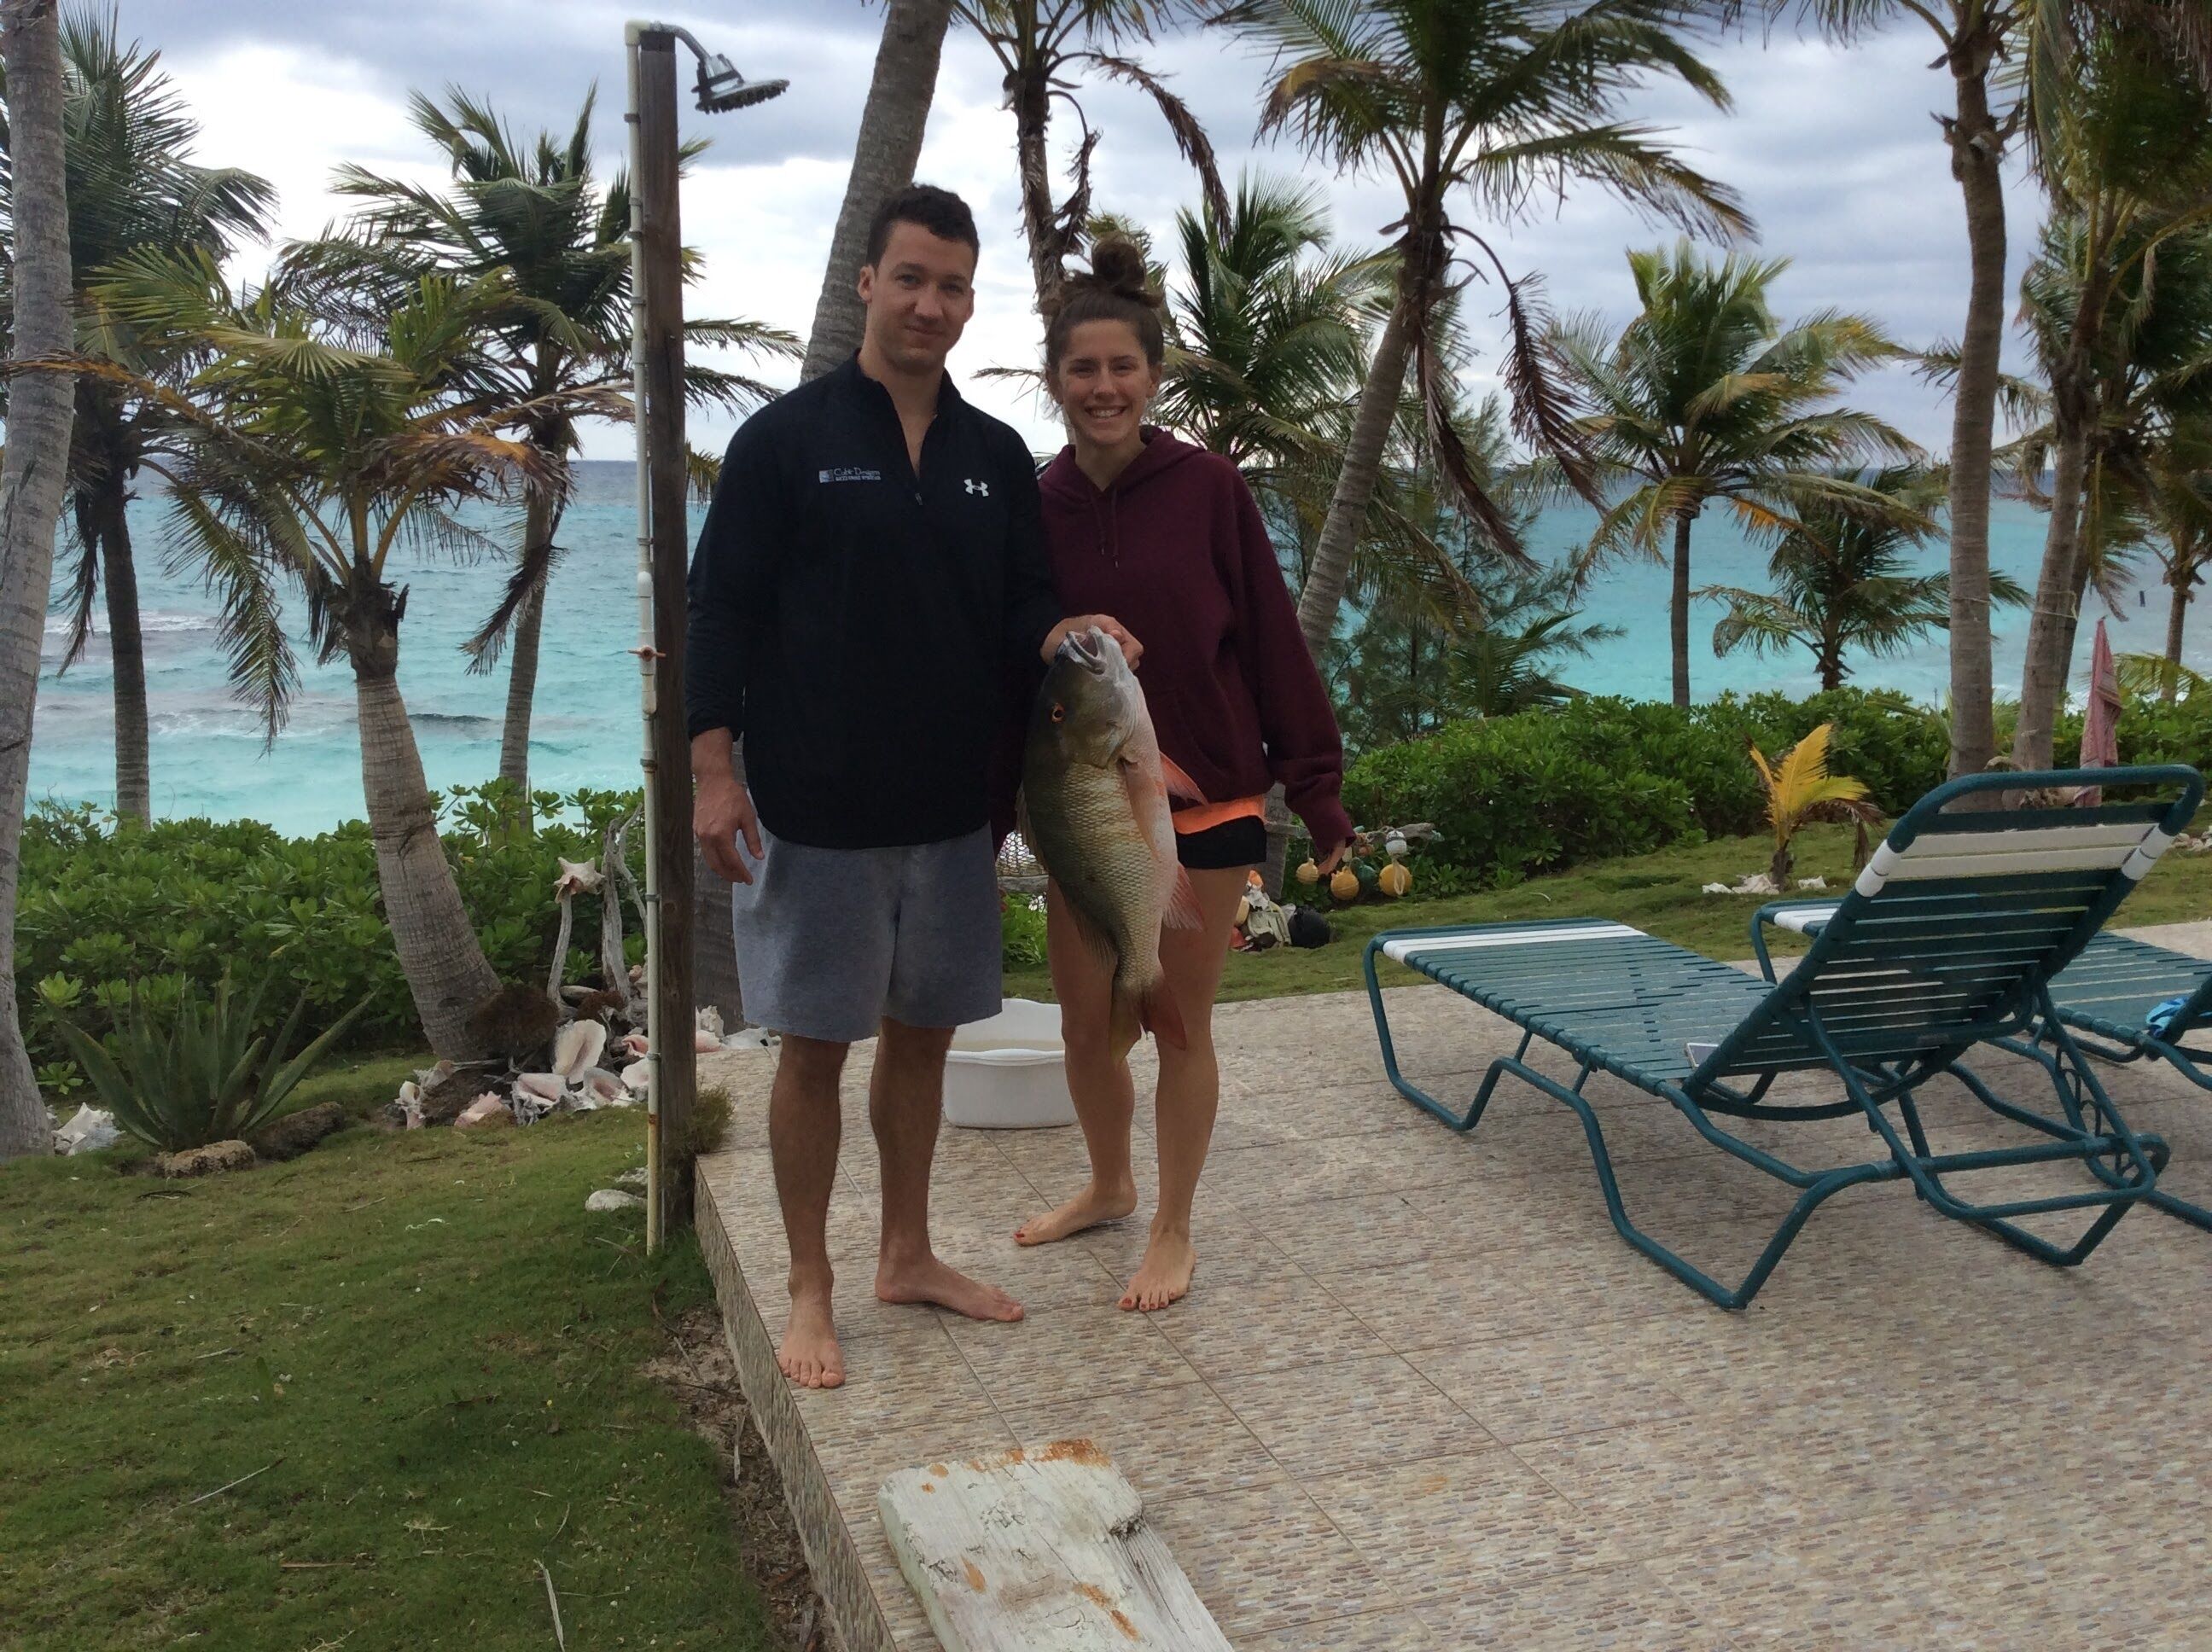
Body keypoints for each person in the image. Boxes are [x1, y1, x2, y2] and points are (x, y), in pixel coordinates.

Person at [686, 185, 1138, 1390]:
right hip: (815, 809)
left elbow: (1022, 609)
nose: (930, 304)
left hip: (951, 813)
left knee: (923, 1043)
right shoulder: (784, 443)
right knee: (814, 1050)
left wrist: (1068, 631)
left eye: (951, 285)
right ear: (867, 286)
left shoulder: (995, 457)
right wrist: (714, 770)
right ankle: (811, 1287)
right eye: (911, 279)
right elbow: (719, 613)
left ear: (967, 300)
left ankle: (908, 1253)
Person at [1011, 240, 1355, 1311]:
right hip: (1081, 801)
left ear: (1153, 376)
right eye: (1081, 370)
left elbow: (1270, 641)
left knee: (1175, 1022)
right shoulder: (1034, 502)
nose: (1102, 388)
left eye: (1122, 367)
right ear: (1055, 380)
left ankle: (1171, 1224)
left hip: (1208, 799)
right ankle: (1110, 1183)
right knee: (1085, 1022)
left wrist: (1321, 784)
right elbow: (1004, 639)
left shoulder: (1207, 488)